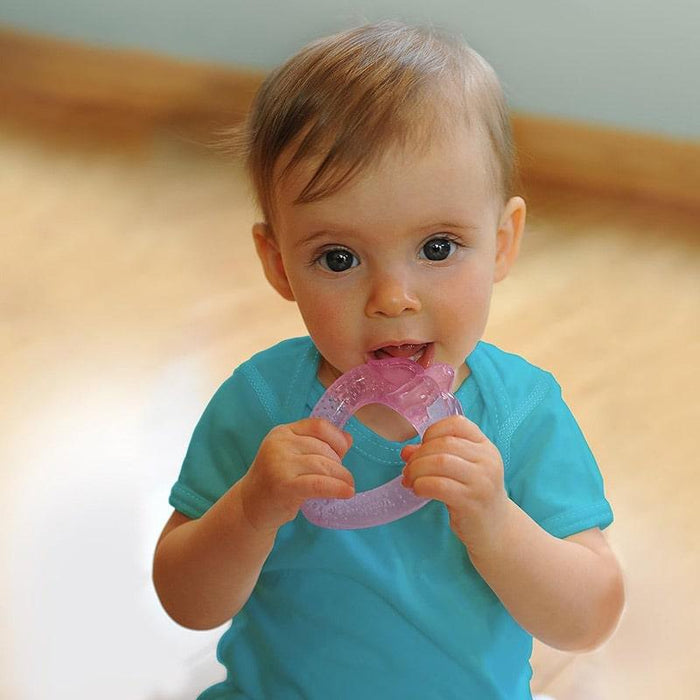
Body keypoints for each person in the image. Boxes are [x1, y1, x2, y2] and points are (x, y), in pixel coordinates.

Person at [152, 20, 625, 699]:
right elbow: (186, 601)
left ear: (502, 242)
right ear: (279, 263)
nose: (393, 299)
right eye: (338, 258)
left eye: (437, 248)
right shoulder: (259, 402)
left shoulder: (521, 413)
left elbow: (588, 618)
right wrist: (251, 509)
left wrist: (495, 521)